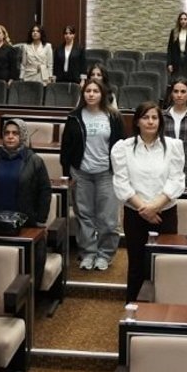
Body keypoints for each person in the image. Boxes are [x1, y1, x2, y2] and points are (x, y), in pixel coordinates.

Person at [113, 101, 185, 302]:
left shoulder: (173, 146)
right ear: (137, 121)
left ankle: (163, 308)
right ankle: (133, 309)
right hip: (135, 214)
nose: (150, 122)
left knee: (164, 263)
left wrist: (154, 207)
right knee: (136, 264)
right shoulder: (123, 148)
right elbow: (121, 182)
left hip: (165, 213)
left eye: (154, 117)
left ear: (160, 121)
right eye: (145, 117)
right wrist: (144, 209)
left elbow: (176, 180)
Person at [60, 77, 125, 272]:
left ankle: (105, 254)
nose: (91, 94)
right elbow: (66, 148)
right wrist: (67, 173)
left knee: (108, 219)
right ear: (83, 94)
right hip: (81, 173)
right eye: (88, 91)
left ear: (102, 94)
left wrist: (120, 171)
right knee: (84, 216)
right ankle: (88, 252)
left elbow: (122, 146)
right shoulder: (74, 117)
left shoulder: (113, 117)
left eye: (95, 91)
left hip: (106, 173)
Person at [0, 118, 53, 227]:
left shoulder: (34, 161)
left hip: (25, 223)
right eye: (7, 133)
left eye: (15, 133)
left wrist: (40, 219)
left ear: (23, 136)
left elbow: (45, 192)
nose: (10, 136)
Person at [166, 13, 187, 82]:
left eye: (185, 19)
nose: (183, 21)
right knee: (176, 81)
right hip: (176, 60)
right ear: (179, 21)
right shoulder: (174, 32)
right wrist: (169, 63)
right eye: (181, 19)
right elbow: (170, 49)